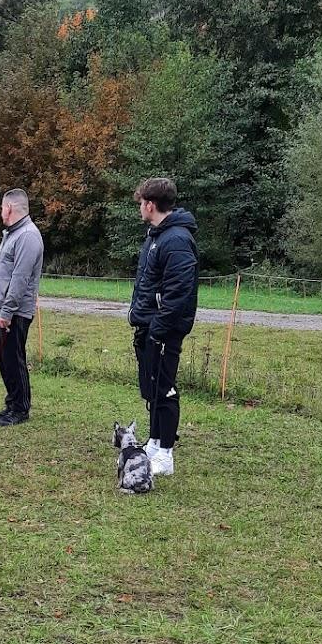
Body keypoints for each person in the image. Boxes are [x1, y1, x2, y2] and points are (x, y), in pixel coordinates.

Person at [128, 177, 199, 477]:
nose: (140, 208)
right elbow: (147, 283)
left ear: (151, 204)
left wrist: (158, 328)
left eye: (141, 203)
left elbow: (178, 293)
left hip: (164, 330)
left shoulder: (177, 240)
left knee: (165, 388)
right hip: (149, 327)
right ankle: (154, 443)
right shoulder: (155, 237)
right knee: (152, 387)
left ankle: (166, 455)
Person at [0, 188, 43, 425]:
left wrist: (7, 311)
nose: (0, 212)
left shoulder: (28, 236)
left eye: (2, 207)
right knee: (3, 359)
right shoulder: (11, 234)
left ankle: (20, 409)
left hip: (16, 312)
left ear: (9, 208)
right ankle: (11, 404)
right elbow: (2, 273)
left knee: (13, 359)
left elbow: (20, 279)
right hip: (3, 310)